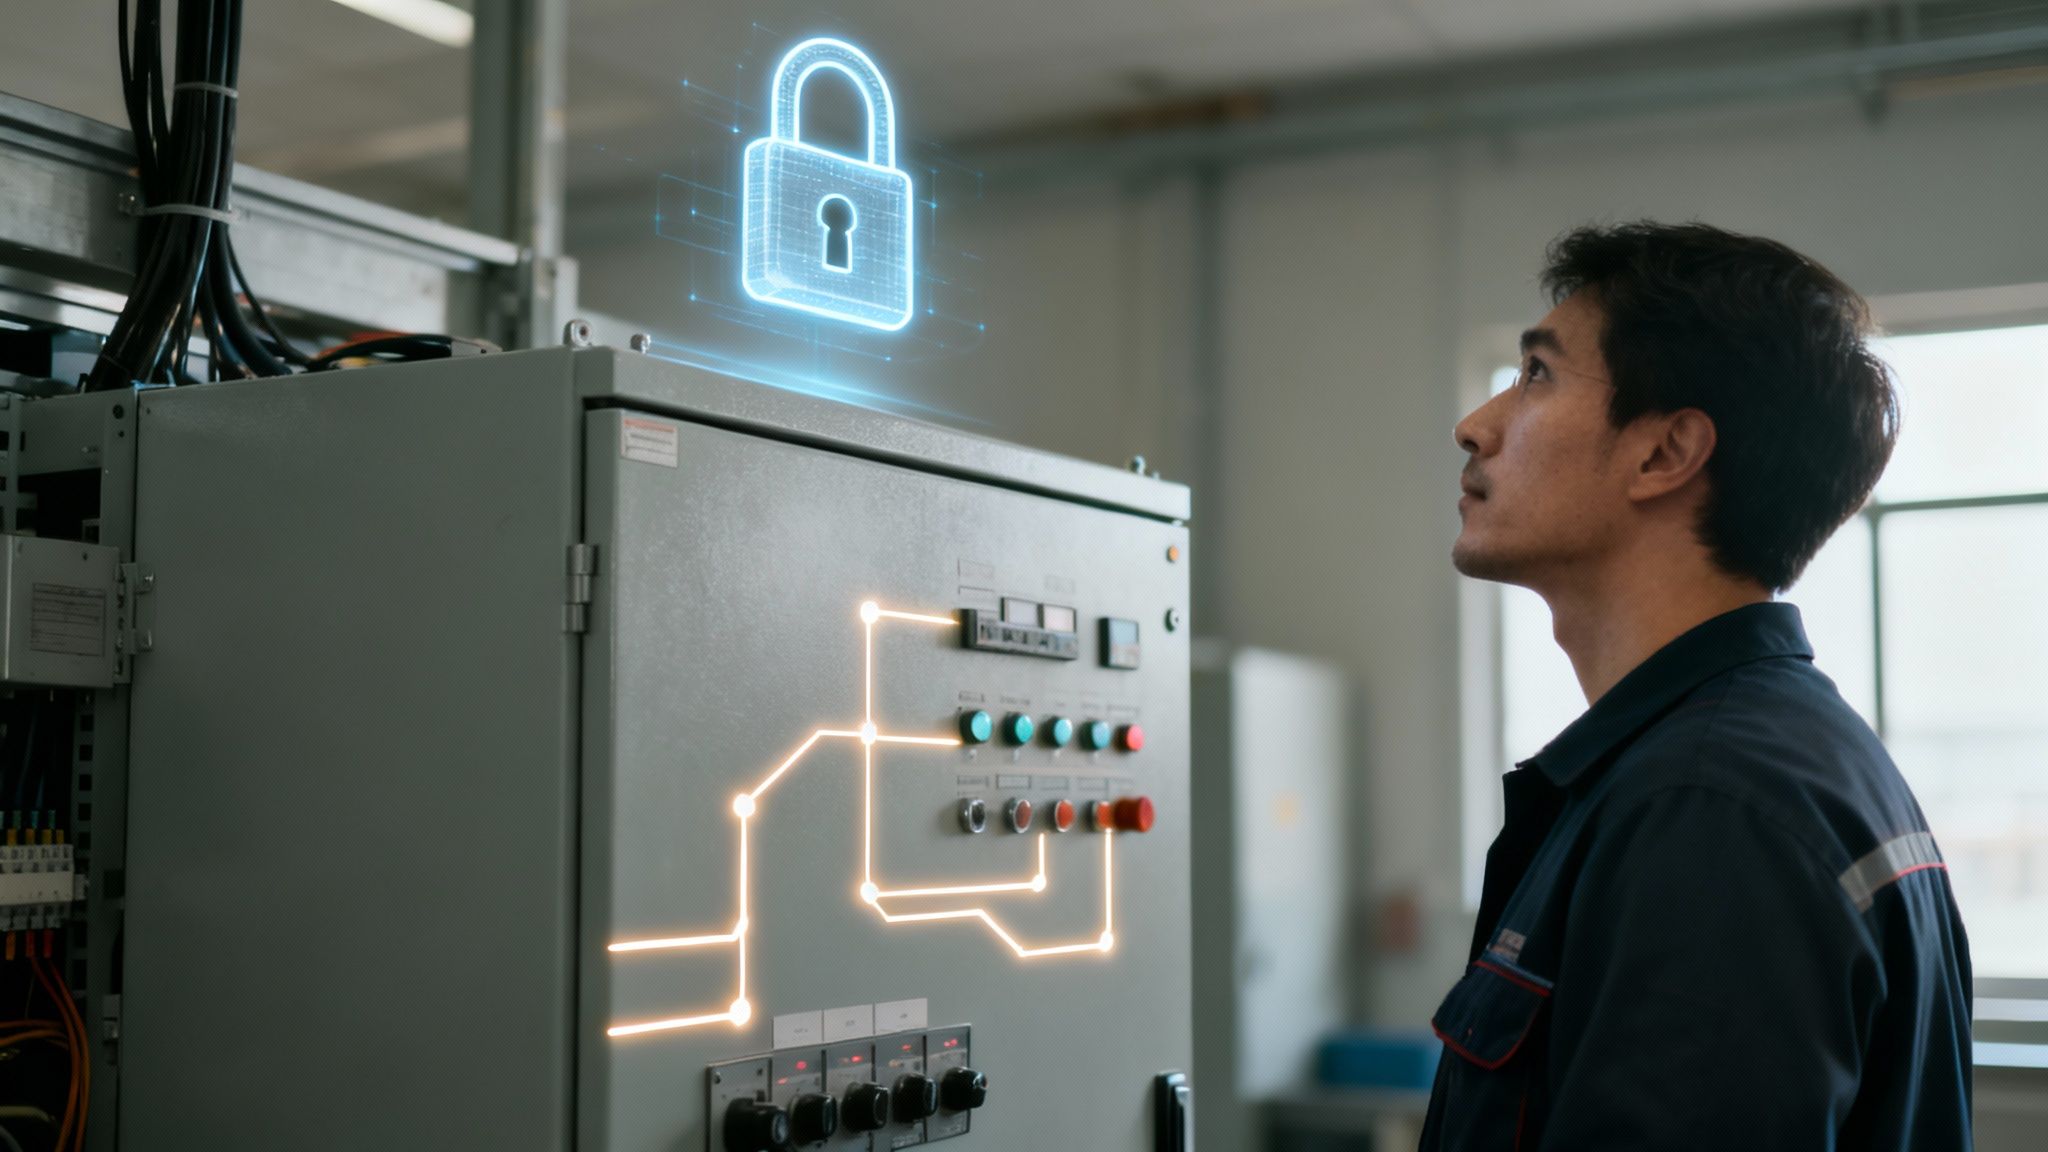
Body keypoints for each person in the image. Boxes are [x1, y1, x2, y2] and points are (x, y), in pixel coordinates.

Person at [1424, 222, 1972, 1150]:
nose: (1476, 426)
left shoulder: (1708, 808)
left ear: (1665, 453)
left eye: (1538, 375)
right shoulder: (1772, 754)